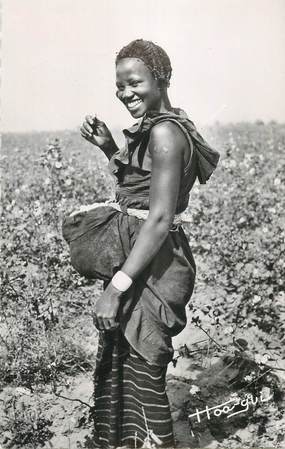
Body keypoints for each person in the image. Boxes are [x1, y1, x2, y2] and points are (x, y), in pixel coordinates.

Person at [64, 39, 219, 448]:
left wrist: (116, 289)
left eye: (135, 83)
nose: (126, 93)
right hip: (141, 254)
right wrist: (110, 148)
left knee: (144, 357)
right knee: (126, 355)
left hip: (154, 260)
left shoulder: (166, 133)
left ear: (161, 78)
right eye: (120, 86)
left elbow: (161, 217)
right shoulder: (159, 128)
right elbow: (142, 189)